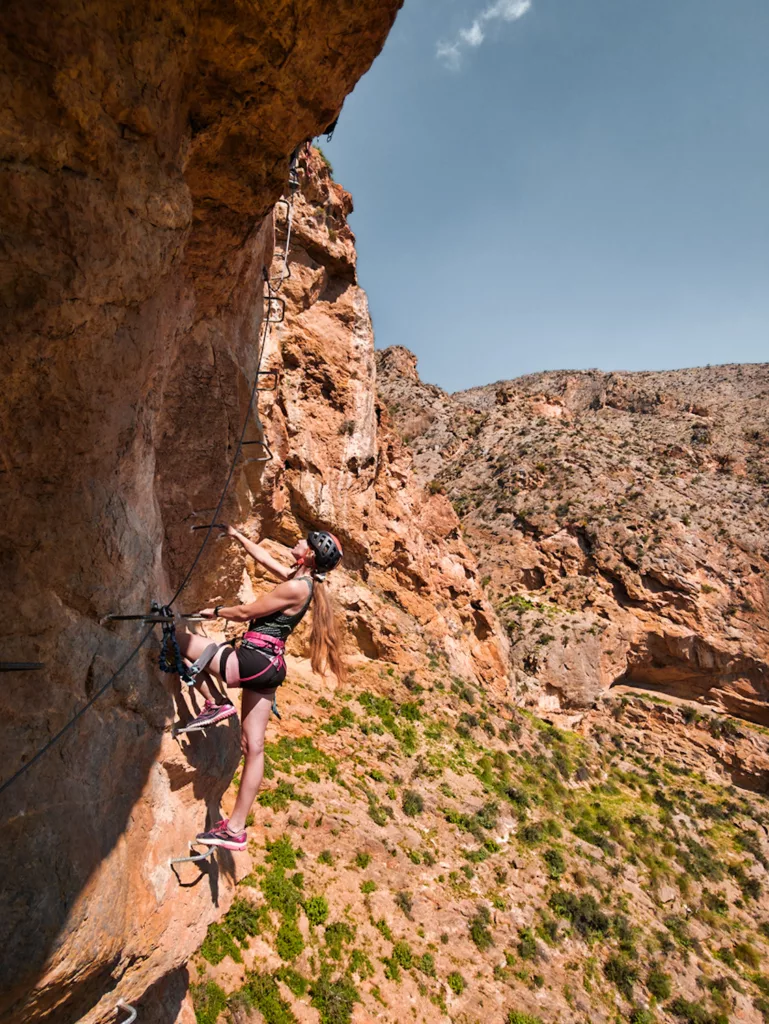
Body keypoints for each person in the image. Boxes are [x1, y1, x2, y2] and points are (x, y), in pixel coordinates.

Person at [175, 527, 345, 851]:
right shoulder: (303, 582)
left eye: (304, 541)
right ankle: (235, 829)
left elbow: (245, 613)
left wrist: (215, 612)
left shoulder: (296, 586)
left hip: (252, 661)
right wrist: (239, 537)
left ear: (310, 553)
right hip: (270, 668)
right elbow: (267, 560)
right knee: (253, 747)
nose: (298, 541)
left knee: (176, 641)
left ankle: (216, 702)